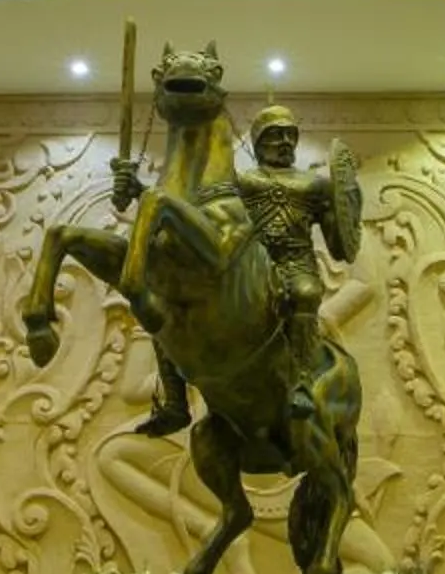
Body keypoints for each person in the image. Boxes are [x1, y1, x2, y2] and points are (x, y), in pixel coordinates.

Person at [112, 104, 359, 434]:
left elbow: (339, 246)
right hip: (248, 261)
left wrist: (342, 211)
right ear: (257, 142)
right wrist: (138, 189)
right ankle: (174, 401)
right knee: (172, 303)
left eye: (289, 134)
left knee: (305, 293)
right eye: (274, 135)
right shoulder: (240, 181)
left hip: (294, 264)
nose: (284, 141)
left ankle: (300, 384)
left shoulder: (315, 186)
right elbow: (188, 209)